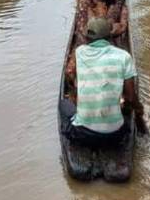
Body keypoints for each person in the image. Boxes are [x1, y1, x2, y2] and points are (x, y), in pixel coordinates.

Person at [60, 17, 142, 145]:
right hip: (116, 136)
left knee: (64, 105)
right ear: (110, 37)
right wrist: (139, 110)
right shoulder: (124, 56)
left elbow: (71, 77)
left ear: (87, 38)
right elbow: (131, 98)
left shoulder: (79, 52)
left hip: (82, 135)